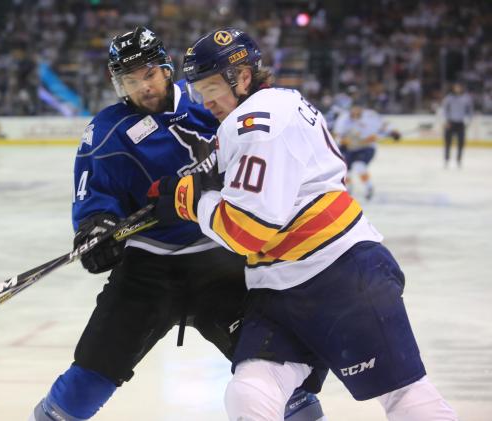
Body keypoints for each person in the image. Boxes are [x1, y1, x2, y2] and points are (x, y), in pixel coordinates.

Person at [148, 28, 458, 421]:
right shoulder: (279, 103)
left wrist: (190, 199)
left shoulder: (255, 122)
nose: (205, 101)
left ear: (242, 78)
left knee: (404, 395)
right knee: (249, 389)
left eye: (211, 88)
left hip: (337, 274)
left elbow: (246, 230)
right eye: (198, 91)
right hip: (279, 287)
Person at [30, 27, 325, 421]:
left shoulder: (209, 98)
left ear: (167, 69)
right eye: (130, 80)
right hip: (148, 270)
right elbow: (94, 198)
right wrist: (97, 230)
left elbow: (256, 154)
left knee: (281, 376)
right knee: (89, 376)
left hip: (221, 260)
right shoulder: (105, 133)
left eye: (148, 74)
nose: (143, 87)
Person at [332, 103, 400, 200]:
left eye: (358, 109)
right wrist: (342, 141)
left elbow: (384, 125)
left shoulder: (371, 116)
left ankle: (369, 188)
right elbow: (337, 135)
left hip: (367, 148)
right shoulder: (343, 119)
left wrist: (393, 131)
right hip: (349, 149)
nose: (355, 112)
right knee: (345, 170)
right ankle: (347, 190)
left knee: (360, 166)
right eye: (353, 110)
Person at [441, 82, 473, 168]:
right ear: (453, 88)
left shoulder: (466, 98)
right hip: (450, 123)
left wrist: (468, 121)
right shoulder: (449, 98)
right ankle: (446, 160)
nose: (457, 89)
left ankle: (459, 160)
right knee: (448, 143)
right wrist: (445, 121)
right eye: (456, 87)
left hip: (461, 123)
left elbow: (470, 111)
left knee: (461, 143)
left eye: (459, 87)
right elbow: (444, 110)